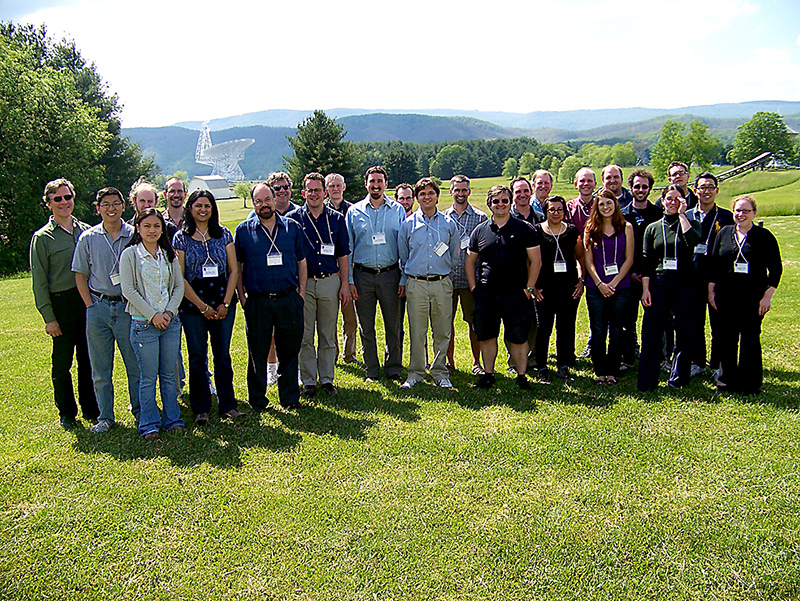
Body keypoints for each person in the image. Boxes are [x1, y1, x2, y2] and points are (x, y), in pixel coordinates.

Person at [30, 178, 98, 429]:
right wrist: (49, 318)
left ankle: (92, 409)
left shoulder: (87, 231)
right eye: (57, 199)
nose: (63, 202)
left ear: (73, 198)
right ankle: (67, 413)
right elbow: (39, 282)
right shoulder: (42, 238)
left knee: (88, 359)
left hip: (87, 300)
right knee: (62, 363)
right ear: (48, 203)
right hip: (61, 304)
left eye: (67, 197)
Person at [235, 182, 310, 410]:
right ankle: (258, 400)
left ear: (274, 199)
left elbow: (302, 262)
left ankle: (290, 398)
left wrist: (301, 294)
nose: (264, 205)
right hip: (258, 301)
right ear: (253, 204)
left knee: (289, 351)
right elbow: (237, 267)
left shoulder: (292, 227)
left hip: (288, 298)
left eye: (267, 199)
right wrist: (242, 297)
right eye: (258, 201)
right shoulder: (243, 231)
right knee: (257, 352)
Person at [72, 187, 141, 434]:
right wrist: (90, 305)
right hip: (98, 307)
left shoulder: (135, 235)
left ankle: (140, 412)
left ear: (123, 206)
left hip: (128, 308)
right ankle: (106, 417)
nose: (111, 209)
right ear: (98, 208)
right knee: (100, 369)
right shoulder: (88, 238)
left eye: (115, 203)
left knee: (135, 365)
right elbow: (80, 275)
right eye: (105, 204)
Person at [173, 190, 243, 425]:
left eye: (207, 206)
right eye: (198, 205)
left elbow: (234, 270)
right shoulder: (181, 238)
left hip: (223, 302)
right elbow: (180, 277)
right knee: (197, 357)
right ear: (190, 208)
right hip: (193, 305)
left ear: (213, 209)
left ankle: (228, 405)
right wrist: (202, 307)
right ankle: (201, 408)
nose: (203, 210)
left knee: (222, 356)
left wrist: (226, 303)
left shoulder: (223, 234)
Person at [466, 185, 541, 390]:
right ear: (489, 204)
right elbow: (470, 261)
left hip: (516, 294)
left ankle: (522, 376)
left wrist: (529, 289)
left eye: (505, 201)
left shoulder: (525, 229)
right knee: (487, 336)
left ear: (510, 202)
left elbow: (536, 261)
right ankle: (488, 374)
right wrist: (474, 288)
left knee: (518, 337)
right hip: (486, 294)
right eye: (496, 201)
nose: (500, 204)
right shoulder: (480, 230)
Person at [120, 209, 185, 439]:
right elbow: (128, 290)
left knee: (168, 375)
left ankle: (173, 419)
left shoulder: (168, 254)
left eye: (157, 226)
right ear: (138, 228)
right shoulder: (130, 255)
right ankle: (149, 424)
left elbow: (178, 286)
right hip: (143, 325)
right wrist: (152, 315)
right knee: (147, 378)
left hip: (170, 323)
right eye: (146, 226)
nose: (152, 230)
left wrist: (168, 312)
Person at [709, 195, 782, 395]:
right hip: (726, 296)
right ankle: (726, 383)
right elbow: (714, 264)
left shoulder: (764, 236)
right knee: (727, 339)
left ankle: (750, 384)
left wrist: (767, 296)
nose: (741, 214)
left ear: (754, 213)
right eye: (737, 210)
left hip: (753, 298)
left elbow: (776, 269)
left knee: (750, 339)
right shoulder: (724, 233)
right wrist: (711, 291)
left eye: (746, 211)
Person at [287, 173, 351, 398]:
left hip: (329, 282)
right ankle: (308, 381)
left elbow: (343, 254)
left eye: (317, 190)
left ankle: (327, 379)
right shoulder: (293, 219)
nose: (314, 194)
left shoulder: (336, 219)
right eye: (310, 190)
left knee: (327, 333)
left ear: (325, 192)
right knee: (305, 334)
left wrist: (345, 284)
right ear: (303, 193)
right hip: (303, 284)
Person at [637, 185, 702, 391]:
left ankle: (679, 380)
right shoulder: (653, 228)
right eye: (669, 199)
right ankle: (648, 380)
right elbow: (646, 260)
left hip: (685, 283)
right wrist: (645, 289)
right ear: (662, 201)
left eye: (677, 199)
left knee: (684, 332)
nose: (673, 202)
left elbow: (693, 241)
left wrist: (682, 215)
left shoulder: (691, 223)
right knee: (651, 333)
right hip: (659, 283)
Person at [345, 166, 406, 382]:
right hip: (362, 275)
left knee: (393, 324)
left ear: (386, 184)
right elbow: (348, 248)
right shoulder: (354, 212)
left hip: (391, 275)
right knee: (366, 326)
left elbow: (403, 247)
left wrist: (403, 278)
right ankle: (371, 369)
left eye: (380, 181)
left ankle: (393, 368)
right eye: (372, 181)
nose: (376, 185)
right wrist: (350, 280)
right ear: (366, 184)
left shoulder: (398, 210)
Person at [398, 178, 460, 389]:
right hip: (416, 284)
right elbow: (403, 256)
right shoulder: (408, 224)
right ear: (417, 198)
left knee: (442, 330)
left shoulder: (449, 224)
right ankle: (415, 372)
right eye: (422, 194)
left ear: (437, 196)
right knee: (417, 331)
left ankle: (440, 372)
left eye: (431, 193)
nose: (427, 197)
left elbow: (454, 255)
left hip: (441, 283)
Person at [531, 196, 585, 383]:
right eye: (552, 209)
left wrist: (581, 281)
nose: (556, 213)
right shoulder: (536, 231)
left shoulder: (572, 231)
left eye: (559, 209)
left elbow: (581, 257)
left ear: (564, 211)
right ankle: (542, 367)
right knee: (543, 329)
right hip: (543, 290)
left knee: (566, 328)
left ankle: (563, 366)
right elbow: (530, 260)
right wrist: (533, 286)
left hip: (569, 289)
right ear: (545, 211)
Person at [583, 189, 634, 384]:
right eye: (601, 204)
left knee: (616, 330)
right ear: (596, 207)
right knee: (598, 330)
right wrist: (600, 284)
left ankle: (612, 371)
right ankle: (600, 370)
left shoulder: (626, 227)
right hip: (596, 288)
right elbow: (588, 261)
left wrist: (613, 284)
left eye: (609, 203)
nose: (605, 207)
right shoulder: (590, 228)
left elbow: (629, 259)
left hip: (620, 288)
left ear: (615, 204)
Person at [686, 172, 733, 378]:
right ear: (695, 191)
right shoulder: (686, 216)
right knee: (695, 322)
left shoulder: (726, 217)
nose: (706, 191)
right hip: (693, 277)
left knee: (719, 324)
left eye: (710, 187)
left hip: (718, 278)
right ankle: (697, 362)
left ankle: (716, 364)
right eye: (702, 187)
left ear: (717, 190)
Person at [442, 174, 487, 375]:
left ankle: (477, 362)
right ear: (451, 191)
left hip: (471, 281)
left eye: (464, 190)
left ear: (469, 191)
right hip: (447, 280)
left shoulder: (480, 218)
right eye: (457, 190)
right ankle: (449, 362)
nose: (460, 193)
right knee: (446, 324)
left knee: (474, 323)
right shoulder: (442, 217)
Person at [621, 168, 662, 370]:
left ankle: (653, 357)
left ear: (650, 189)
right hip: (627, 276)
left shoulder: (659, 214)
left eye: (644, 187)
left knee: (654, 319)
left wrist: (647, 274)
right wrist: (629, 272)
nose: (640, 190)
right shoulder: (622, 215)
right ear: (630, 188)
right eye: (636, 186)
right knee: (627, 320)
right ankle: (627, 358)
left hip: (652, 276)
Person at [325, 172, 359, 366]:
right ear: (326, 189)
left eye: (338, 185)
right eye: (331, 186)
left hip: (348, 271)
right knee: (330, 318)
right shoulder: (321, 211)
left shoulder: (353, 211)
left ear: (344, 187)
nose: (335, 189)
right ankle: (333, 354)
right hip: (330, 272)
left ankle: (350, 354)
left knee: (350, 318)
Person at [565, 167, 596, 233]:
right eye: (582, 181)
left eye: (590, 181)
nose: (586, 183)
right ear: (576, 184)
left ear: (595, 184)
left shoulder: (601, 205)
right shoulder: (569, 207)